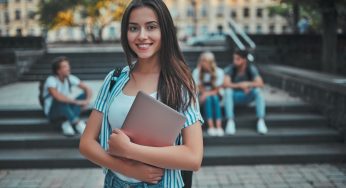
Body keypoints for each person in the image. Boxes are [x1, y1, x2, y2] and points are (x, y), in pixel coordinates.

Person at [79, 0, 204, 187]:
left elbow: (193, 157)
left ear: (165, 31)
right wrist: (127, 168)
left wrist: (130, 149)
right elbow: (86, 143)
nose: (142, 36)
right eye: (133, 28)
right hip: (115, 182)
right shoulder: (114, 79)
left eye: (151, 27)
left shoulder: (180, 84)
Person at [42, 56, 92, 136]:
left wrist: (86, 101)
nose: (68, 68)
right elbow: (57, 97)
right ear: (58, 71)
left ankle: (66, 123)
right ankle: (77, 123)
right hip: (53, 112)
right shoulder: (51, 80)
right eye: (65, 66)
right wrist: (77, 102)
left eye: (68, 66)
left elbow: (88, 89)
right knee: (61, 100)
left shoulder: (70, 78)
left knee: (83, 95)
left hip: (65, 108)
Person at [223, 49, 268, 135]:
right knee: (228, 91)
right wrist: (240, 85)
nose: (234, 61)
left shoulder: (251, 68)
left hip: (247, 96)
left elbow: (261, 83)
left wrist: (248, 84)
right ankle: (230, 121)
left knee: (258, 91)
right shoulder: (231, 68)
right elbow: (225, 84)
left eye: (237, 59)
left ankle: (261, 120)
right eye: (234, 58)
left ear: (244, 60)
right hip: (234, 97)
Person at [192, 51, 224, 136]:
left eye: (205, 61)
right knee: (209, 99)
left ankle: (218, 126)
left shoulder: (219, 71)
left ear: (210, 62)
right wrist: (205, 94)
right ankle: (211, 126)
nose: (202, 63)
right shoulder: (197, 72)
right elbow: (198, 88)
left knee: (214, 98)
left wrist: (206, 94)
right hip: (202, 96)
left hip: (216, 95)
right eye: (202, 61)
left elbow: (217, 90)